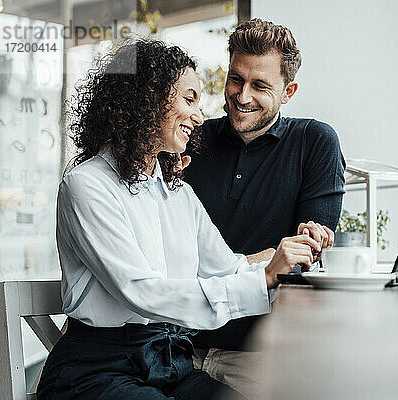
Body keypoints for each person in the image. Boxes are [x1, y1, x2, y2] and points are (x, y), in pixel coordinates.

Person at [36, 38, 329, 400]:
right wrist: (264, 278)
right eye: (189, 99)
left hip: (166, 363)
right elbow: (142, 291)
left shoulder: (177, 193)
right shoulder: (87, 185)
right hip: (95, 372)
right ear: (147, 100)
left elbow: (225, 268)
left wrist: (280, 262)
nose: (199, 117)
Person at [183, 19, 346, 396]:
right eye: (236, 79)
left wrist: (291, 252)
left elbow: (300, 260)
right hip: (180, 352)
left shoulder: (314, 142)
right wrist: (264, 261)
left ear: (288, 91)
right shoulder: (192, 140)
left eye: (260, 86)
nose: (242, 96)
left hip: (262, 359)